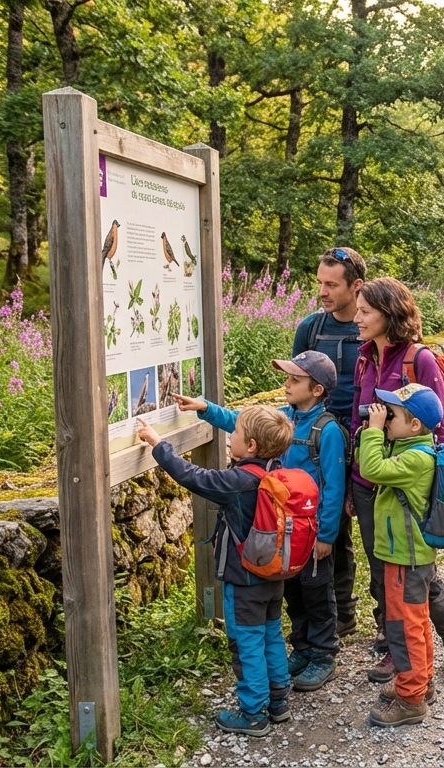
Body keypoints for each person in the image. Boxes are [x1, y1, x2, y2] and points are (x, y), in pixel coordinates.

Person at [169, 351, 346, 693]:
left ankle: (324, 654)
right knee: (291, 590)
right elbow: (242, 421)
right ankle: (303, 647)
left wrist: (326, 535)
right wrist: (205, 408)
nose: (287, 384)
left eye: (295, 379)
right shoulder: (283, 418)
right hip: (279, 531)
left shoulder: (328, 431)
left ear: (317, 390)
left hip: (310, 532)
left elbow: (334, 487)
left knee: (316, 593)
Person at [137, 406, 295, 737]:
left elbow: (194, 477)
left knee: (246, 642)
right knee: (271, 634)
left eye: (234, 434)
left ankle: (253, 713)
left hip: (244, 581)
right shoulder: (277, 471)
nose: (230, 438)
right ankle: (278, 701)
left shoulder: (239, 481)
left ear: (250, 446)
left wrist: (157, 444)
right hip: (272, 576)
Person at [351, 277, 444, 684]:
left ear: (389, 314)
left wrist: (423, 487)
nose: (357, 317)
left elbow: (437, 432)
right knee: (382, 575)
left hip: (409, 488)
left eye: (365, 311)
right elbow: (358, 418)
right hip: (369, 485)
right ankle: (395, 648)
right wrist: (356, 481)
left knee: (421, 576)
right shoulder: (365, 358)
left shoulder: (418, 360)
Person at [356, 383, 444, 727]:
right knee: (417, 621)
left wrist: (373, 432)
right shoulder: (414, 448)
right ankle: (423, 682)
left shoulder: (416, 458)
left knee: (404, 627)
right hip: (408, 556)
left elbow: (371, 469)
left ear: (415, 425)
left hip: (405, 558)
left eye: (393, 414)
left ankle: (411, 700)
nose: (386, 417)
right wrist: (380, 430)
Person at [293, 247, 365, 641]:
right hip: (320, 444)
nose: (322, 291)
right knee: (330, 528)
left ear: (356, 286)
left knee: (371, 533)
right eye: (319, 282)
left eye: (331, 284)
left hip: (366, 440)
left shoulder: (373, 323)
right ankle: (339, 614)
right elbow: (295, 385)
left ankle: (389, 621)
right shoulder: (311, 328)